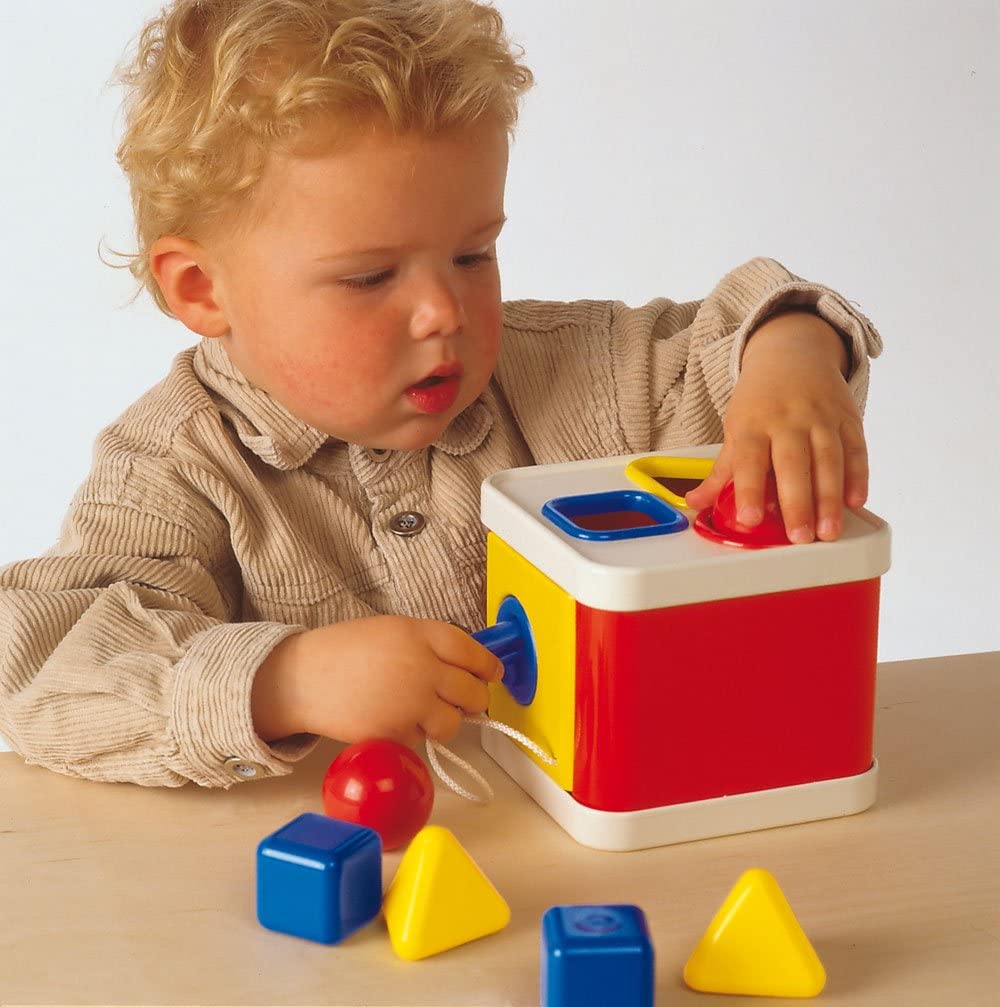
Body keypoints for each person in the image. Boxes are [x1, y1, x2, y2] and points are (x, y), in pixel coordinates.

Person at [0, 0, 882, 789]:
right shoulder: (173, 466)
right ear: (201, 288)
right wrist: (285, 680)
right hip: (357, 882)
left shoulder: (567, 371)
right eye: (370, 276)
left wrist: (792, 356)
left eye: (472, 254)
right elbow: (42, 667)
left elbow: (726, 343)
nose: (444, 311)